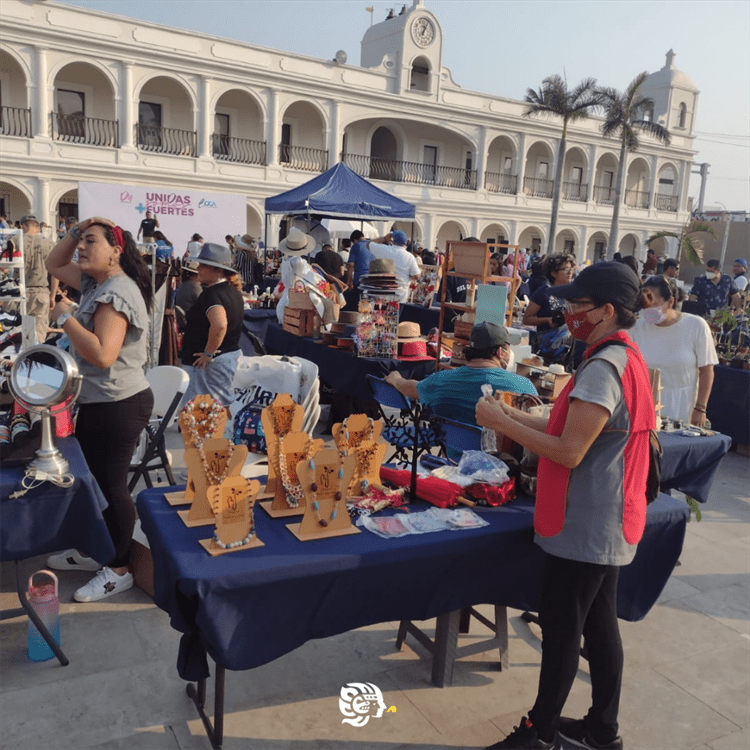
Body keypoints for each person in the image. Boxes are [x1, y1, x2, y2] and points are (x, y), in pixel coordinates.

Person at [476, 262, 654, 750]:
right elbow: (567, 433)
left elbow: (569, 452)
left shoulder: (603, 369)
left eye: (578, 305)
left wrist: (504, 424)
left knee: (562, 632)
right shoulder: (625, 358)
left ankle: (540, 732)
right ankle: (602, 728)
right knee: (598, 628)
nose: (569, 312)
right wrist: (509, 413)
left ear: (606, 311)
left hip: (586, 522)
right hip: (607, 518)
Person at [45, 216, 154, 602]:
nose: (81, 247)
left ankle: (119, 568)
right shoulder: (98, 283)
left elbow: (104, 355)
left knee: (111, 487)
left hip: (118, 404)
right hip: (100, 401)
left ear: (116, 251)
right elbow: (53, 265)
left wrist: (65, 317)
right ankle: (97, 549)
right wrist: (78, 227)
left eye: (92, 241)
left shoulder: (117, 292)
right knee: (94, 483)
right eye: (81, 241)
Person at [386, 322, 537, 457]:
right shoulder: (523, 386)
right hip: (502, 473)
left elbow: (412, 388)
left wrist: (396, 379)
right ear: (500, 352)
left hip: (452, 465)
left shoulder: (440, 380)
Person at [631, 275, 717, 427]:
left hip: (682, 408)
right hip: (643, 408)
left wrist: (700, 408)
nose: (648, 309)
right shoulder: (636, 328)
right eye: (645, 304)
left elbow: (707, 371)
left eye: (653, 303)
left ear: (670, 302)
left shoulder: (696, 326)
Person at [180, 242, 244, 408]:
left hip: (210, 364)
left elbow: (220, 325)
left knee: (205, 412)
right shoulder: (233, 292)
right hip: (224, 357)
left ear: (218, 270)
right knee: (219, 408)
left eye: (203, 265)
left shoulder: (212, 294)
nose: (198, 268)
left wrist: (208, 353)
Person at [21, 214, 57, 345]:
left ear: (22, 226)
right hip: (41, 292)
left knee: (20, 336)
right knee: (38, 337)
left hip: (19, 293)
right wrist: (52, 296)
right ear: (37, 227)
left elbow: (4, 268)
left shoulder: (15, 240)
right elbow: (55, 273)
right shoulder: (49, 244)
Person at [364, 230, 420, 303]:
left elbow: (368, 244)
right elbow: (417, 275)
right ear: (405, 242)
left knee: (380, 313)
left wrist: (384, 238)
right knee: (395, 313)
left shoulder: (383, 249)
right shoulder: (410, 257)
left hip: (383, 293)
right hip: (400, 294)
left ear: (393, 240)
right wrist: (408, 278)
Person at [523, 254, 575, 333]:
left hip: (567, 340)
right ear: (554, 273)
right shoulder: (543, 292)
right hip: (547, 341)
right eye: (566, 269)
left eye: (571, 269)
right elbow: (526, 319)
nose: (570, 273)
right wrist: (547, 320)